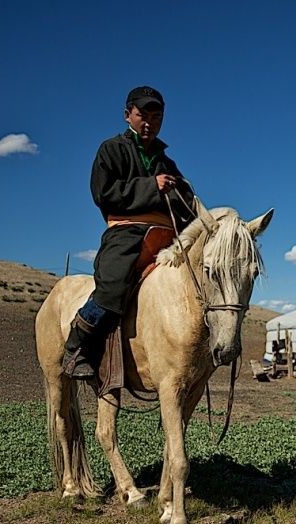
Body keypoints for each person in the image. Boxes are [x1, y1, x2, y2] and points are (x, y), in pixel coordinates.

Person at [61, 85, 197, 379]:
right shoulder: (111, 150)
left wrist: (182, 195)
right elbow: (104, 192)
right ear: (127, 115)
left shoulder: (166, 161)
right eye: (142, 115)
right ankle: (77, 346)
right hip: (127, 233)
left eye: (157, 116)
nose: (150, 122)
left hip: (167, 235)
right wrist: (152, 186)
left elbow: (186, 201)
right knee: (113, 284)